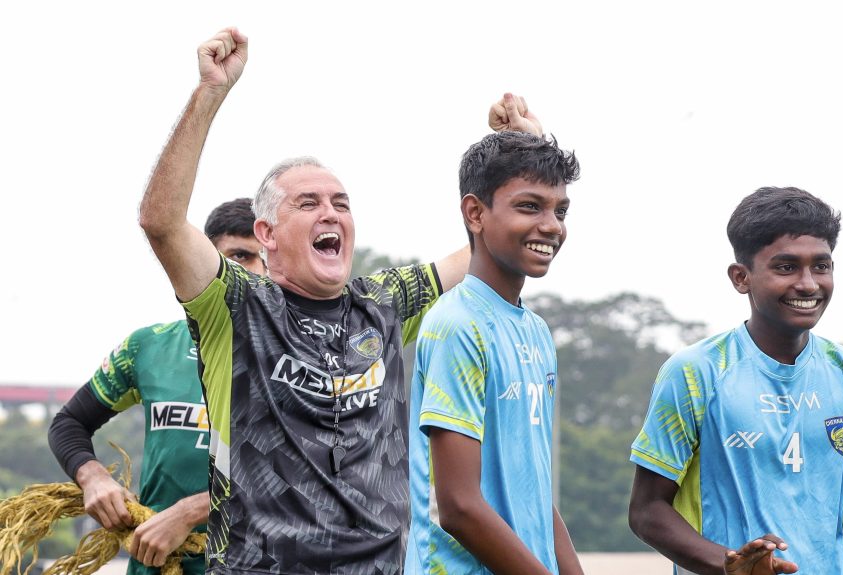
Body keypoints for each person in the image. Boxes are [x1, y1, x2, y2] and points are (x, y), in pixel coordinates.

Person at [135, 27, 511, 575]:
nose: (330, 213)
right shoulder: (237, 307)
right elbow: (161, 221)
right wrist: (209, 93)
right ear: (266, 233)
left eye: (341, 203)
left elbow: (488, 249)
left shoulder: (382, 303)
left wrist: (518, 152)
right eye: (308, 203)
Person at [628, 187, 843, 575]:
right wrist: (730, 564)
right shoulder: (696, 373)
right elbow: (646, 511)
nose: (808, 284)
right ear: (741, 278)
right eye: (786, 267)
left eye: (821, 266)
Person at [48, 198, 266, 574]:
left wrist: (189, 513)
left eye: (266, 259)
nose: (257, 270)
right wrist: (94, 478)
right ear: (204, 260)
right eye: (240, 256)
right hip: (155, 566)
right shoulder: (149, 347)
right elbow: (69, 423)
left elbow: (301, 475)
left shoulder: (304, 361)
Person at [404, 129, 583, 575]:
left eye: (560, 210)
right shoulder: (457, 325)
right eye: (530, 206)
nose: (552, 225)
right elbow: (459, 507)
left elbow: (536, 494)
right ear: (475, 213)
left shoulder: (536, 331)